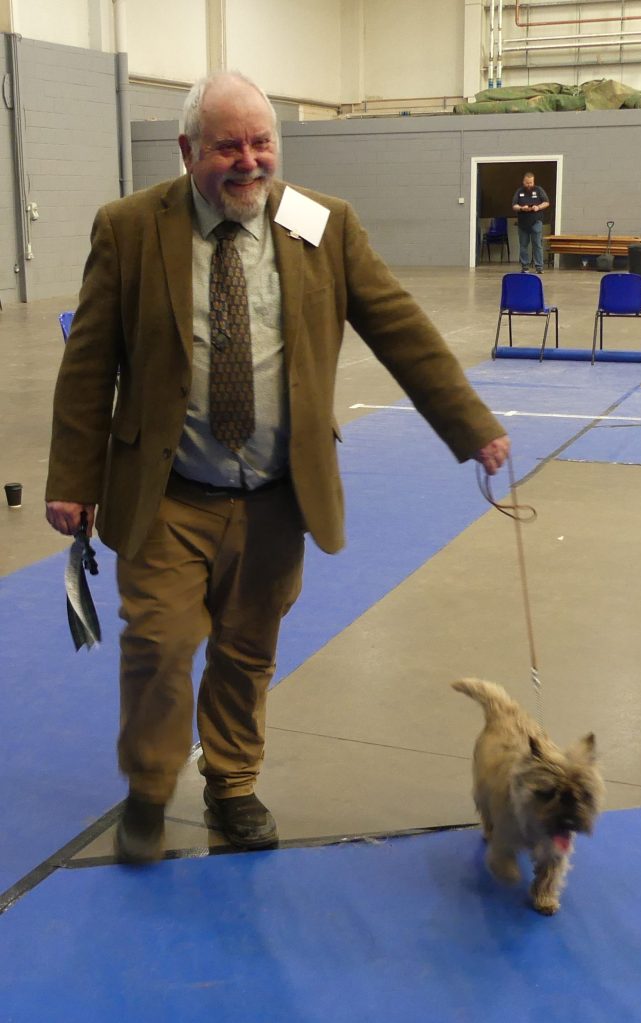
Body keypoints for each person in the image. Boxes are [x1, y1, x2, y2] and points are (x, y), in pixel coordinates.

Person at [45, 70, 510, 864]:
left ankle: (231, 783)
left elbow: (395, 323)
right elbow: (90, 362)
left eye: (262, 142)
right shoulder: (128, 227)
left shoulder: (321, 223)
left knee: (247, 646)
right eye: (228, 145)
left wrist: (469, 424)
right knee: (156, 642)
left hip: (274, 493)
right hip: (166, 491)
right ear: (187, 148)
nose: (249, 161)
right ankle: (151, 789)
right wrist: (72, 478)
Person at [512, 171, 550, 273]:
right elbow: (514, 205)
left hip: (536, 221)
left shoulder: (539, 190)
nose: (529, 185)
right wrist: (521, 208)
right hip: (523, 223)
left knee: (537, 244)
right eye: (527, 183)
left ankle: (539, 267)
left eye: (531, 183)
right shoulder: (519, 192)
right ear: (523, 182)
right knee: (523, 245)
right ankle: (525, 267)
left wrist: (538, 207)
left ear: (533, 181)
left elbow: (546, 202)